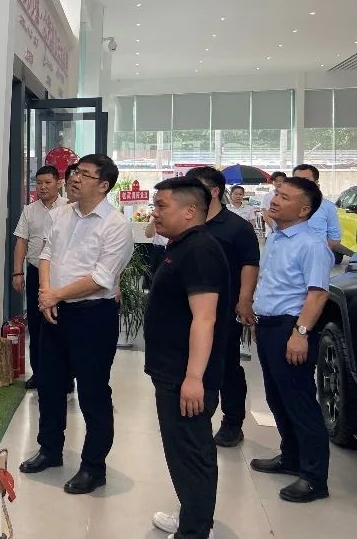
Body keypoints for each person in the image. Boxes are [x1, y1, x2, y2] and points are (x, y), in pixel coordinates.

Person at [19, 155, 134, 496]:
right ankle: (50, 449)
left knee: (93, 391)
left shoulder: (116, 225)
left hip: (92, 316)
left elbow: (101, 278)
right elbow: (46, 255)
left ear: (103, 185)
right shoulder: (60, 214)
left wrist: (54, 295)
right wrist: (46, 295)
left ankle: (93, 467)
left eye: (85, 174)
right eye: (75, 172)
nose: (75, 178)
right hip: (54, 312)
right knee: (50, 384)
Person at [145, 177, 229, 539]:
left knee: (191, 454)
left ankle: (194, 531)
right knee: (181, 451)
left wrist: (194, 378)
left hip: (185, 376)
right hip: (172, 371)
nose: (155, 212)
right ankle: (190, 517)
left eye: (162, 206)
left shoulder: (200, 250)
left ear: (190, 211)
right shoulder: (182, 245)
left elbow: (205, 318)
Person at [250, 176, 334, 503]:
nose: (275, 200)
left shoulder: (312, 245)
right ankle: (291, 457)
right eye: (277, 193)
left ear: (303, 210)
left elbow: (317, 294)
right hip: (270, 326)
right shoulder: (277, 237)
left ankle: (314, 478)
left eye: (285, 197)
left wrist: (300, 333)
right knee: (277, 397)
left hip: (292, 327)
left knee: (299, 401)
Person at [185, 167, 260, 448]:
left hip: (224, 307)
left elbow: (249, 264)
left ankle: (232, 422)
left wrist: (244, 300)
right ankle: (197, 416)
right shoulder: (189, 222)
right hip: (191, 307)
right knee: (193, 363)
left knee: (227, 366)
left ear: (214, 191)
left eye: (195, 187)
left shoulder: (236, 227)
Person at [12, 165, 68, 389]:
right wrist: (18, 272)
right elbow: (21, 242)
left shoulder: (68, 207)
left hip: (62, 276)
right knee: (36, 325)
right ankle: (38, 374)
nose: (43, 187)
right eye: (39, 183)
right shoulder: (29, 210)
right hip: (36, 272)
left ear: (58, 183)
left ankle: (66, 377)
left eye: (48, 182)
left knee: (62, 325)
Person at [291, 164, 353, 261]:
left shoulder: (328, 207)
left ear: (316, 183)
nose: (300, 184)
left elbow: (334, 237)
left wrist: (320, 254)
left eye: (306, 180)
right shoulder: (284, 205)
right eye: (296, 180)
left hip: (316, 258)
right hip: (289, 258)